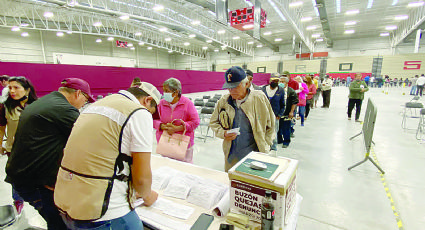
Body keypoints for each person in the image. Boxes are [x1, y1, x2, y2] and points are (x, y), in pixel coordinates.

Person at [54, 82, 160, 229]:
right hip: (102, 211)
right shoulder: (138, 112)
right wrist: (147, 195)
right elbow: (142, 181)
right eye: (151, 110)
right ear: (147, 100)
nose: (149, 114)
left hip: (67, 200)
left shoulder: (95, 106)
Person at [5, 78, 94, 229]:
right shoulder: (64, 109)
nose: (83, 105)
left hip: (22, 176)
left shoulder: (45, 101)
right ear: (78, 94)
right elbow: (88, 141)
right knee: (60, 224)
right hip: (34, 182)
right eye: (85, 100)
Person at [209, 66, 275, 171]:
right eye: (229, 87)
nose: (231, 90)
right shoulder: (224, 101)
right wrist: (223, 133)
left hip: (255, 154)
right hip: (232, 154)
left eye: (235, 86)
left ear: (247, 84)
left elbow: (271, 124)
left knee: (251, 183)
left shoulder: (259, 98)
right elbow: (213, 122)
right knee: (233, 182)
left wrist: (266, 145)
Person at [0, 76, 37, 215]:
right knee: (15, 177)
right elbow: (1, 127)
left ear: (27, 90)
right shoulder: (6, 107)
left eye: (16, 87)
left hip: (34, 149)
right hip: (14, 150)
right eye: (10, 88)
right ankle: (17, 201)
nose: (12, 91)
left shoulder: (36, 106)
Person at [153, 78, 200, 163]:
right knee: (167, 167)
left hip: (183, 143)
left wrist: (177, 128)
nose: (164, 93)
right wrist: (162, 126)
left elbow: (195, 121)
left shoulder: (187, 103)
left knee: (184, 169)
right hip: (165, 141)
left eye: (167, 91)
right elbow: (153, 120)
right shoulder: (161, 104)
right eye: (164, 91)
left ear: (176, 92)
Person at [261, 75, 285, 151]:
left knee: (274, 134)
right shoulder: (263, 89)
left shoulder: (280, 90)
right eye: (273, 81)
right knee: (262, 132)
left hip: (275, 116)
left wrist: (279, 115)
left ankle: (273, 149)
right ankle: (263, 148)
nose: (275, 82)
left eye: (277, 81)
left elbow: (283, 104)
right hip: (263, 116)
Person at [279, 77, 298, 148]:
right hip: (278, 114)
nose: (281, 83)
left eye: (282, 81)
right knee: (278, 128)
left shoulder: (291, 91)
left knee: (286, 128)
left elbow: (294, 102)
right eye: (280, 81)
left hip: (287, 113)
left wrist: (291, 112)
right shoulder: (277, 90)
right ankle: (279, 140)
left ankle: (286, 142)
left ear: (287, 83)